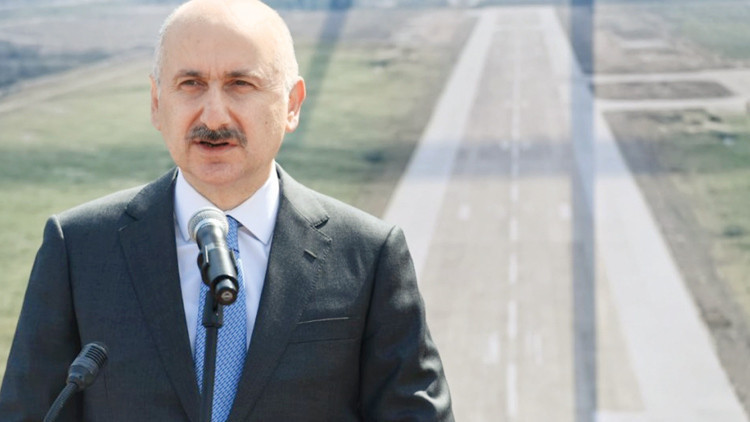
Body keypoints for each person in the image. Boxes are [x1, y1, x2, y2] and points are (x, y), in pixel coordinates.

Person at [0, 0, 453, 420]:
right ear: (157, 103)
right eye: (191, 84)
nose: (213, 117)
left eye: (241, 84)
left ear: (292, 104)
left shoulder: (370, 256)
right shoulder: (78, 249)